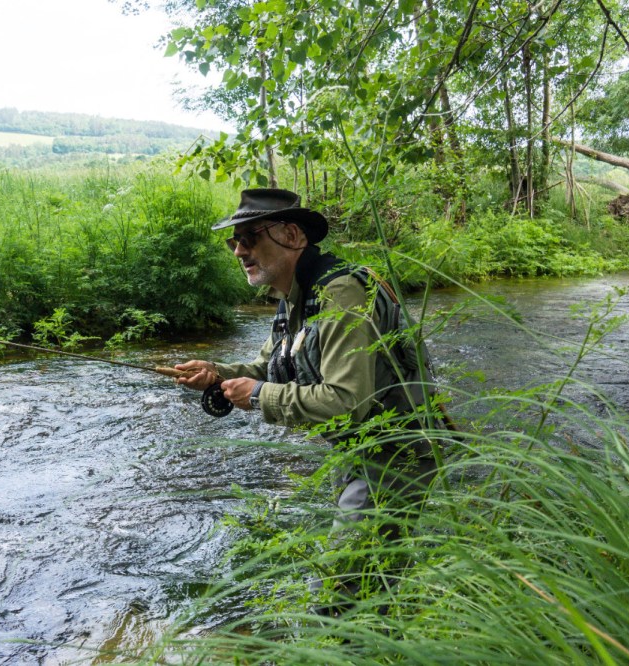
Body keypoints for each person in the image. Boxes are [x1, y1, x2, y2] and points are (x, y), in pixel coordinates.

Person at [175, 188, 438, 610]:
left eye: (250, 237)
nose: (240, 250)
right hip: (356, 454)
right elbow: (265, 368)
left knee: (335, 600)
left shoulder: (342, 295)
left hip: (394, 456)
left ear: (292, 235)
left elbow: (346, 400)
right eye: (234, 241)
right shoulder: (295, 300)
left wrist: (259, 396)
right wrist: (215, 374)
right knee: (373, 587)